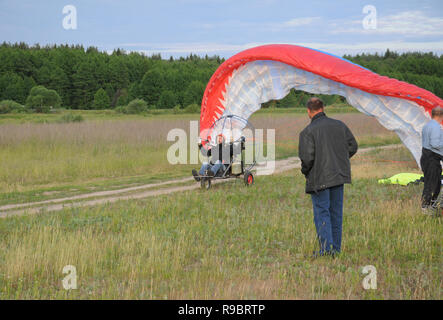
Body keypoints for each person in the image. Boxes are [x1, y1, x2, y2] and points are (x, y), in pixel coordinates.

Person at [299, 97, 358, 258]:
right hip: (339, 177)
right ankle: (335, 249)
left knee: (322, 213)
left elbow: (307, 158)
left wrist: (306, 172)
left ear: (309, 112)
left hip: (319, 179)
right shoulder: (340, 126)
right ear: (323, 108)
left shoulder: (307, 132)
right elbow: (353, 146)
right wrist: (340, 160)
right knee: (336, 213)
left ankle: (326, 250)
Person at [420, 106, 443, 212]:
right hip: (432, 159)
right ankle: (426, 207)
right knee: (432, 185)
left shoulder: (426, 126)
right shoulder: (436, 127)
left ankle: (431, 206)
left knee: (432, 183)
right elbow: (435, 144)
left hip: (425, 157)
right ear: (440, 116)